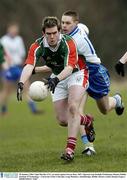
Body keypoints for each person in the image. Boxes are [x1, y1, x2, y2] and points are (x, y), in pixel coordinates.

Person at [17, 16, 94, 161]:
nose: (52, 37)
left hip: (77, 73)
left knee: (73, 107)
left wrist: (55, 79)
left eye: (54, 33)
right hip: (57, 77)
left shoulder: (68, 42)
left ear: (59, 31)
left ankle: (69, 150)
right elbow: (29, 65)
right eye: (48, 34)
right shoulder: (37, 46)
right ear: (43, 33)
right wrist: (21, 82)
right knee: (63, 120)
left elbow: (70, 67)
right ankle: (86, 120)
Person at [61, 10, 124, 151]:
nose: (64, 26)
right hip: (79, 72)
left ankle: (117, 100)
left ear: (75, 24)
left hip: (95, 73)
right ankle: (88, 146)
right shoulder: (76, 30)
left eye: (67, 23)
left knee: (105, 109)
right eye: (63, 22)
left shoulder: (77, 41)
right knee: (76, 109)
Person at [0, 22, 42, 115]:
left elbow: (22, 53)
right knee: (7, 90)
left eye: (16, 29)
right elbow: (2, 56)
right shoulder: (3, 40)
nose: (15, 31)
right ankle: (3, 109)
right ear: (9, 29)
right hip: (8, 68)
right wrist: (5, 68)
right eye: (13, 29)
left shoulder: (19, 39)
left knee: (26, 86)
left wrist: (24, 65)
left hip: (18, 67)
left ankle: (33, 108)